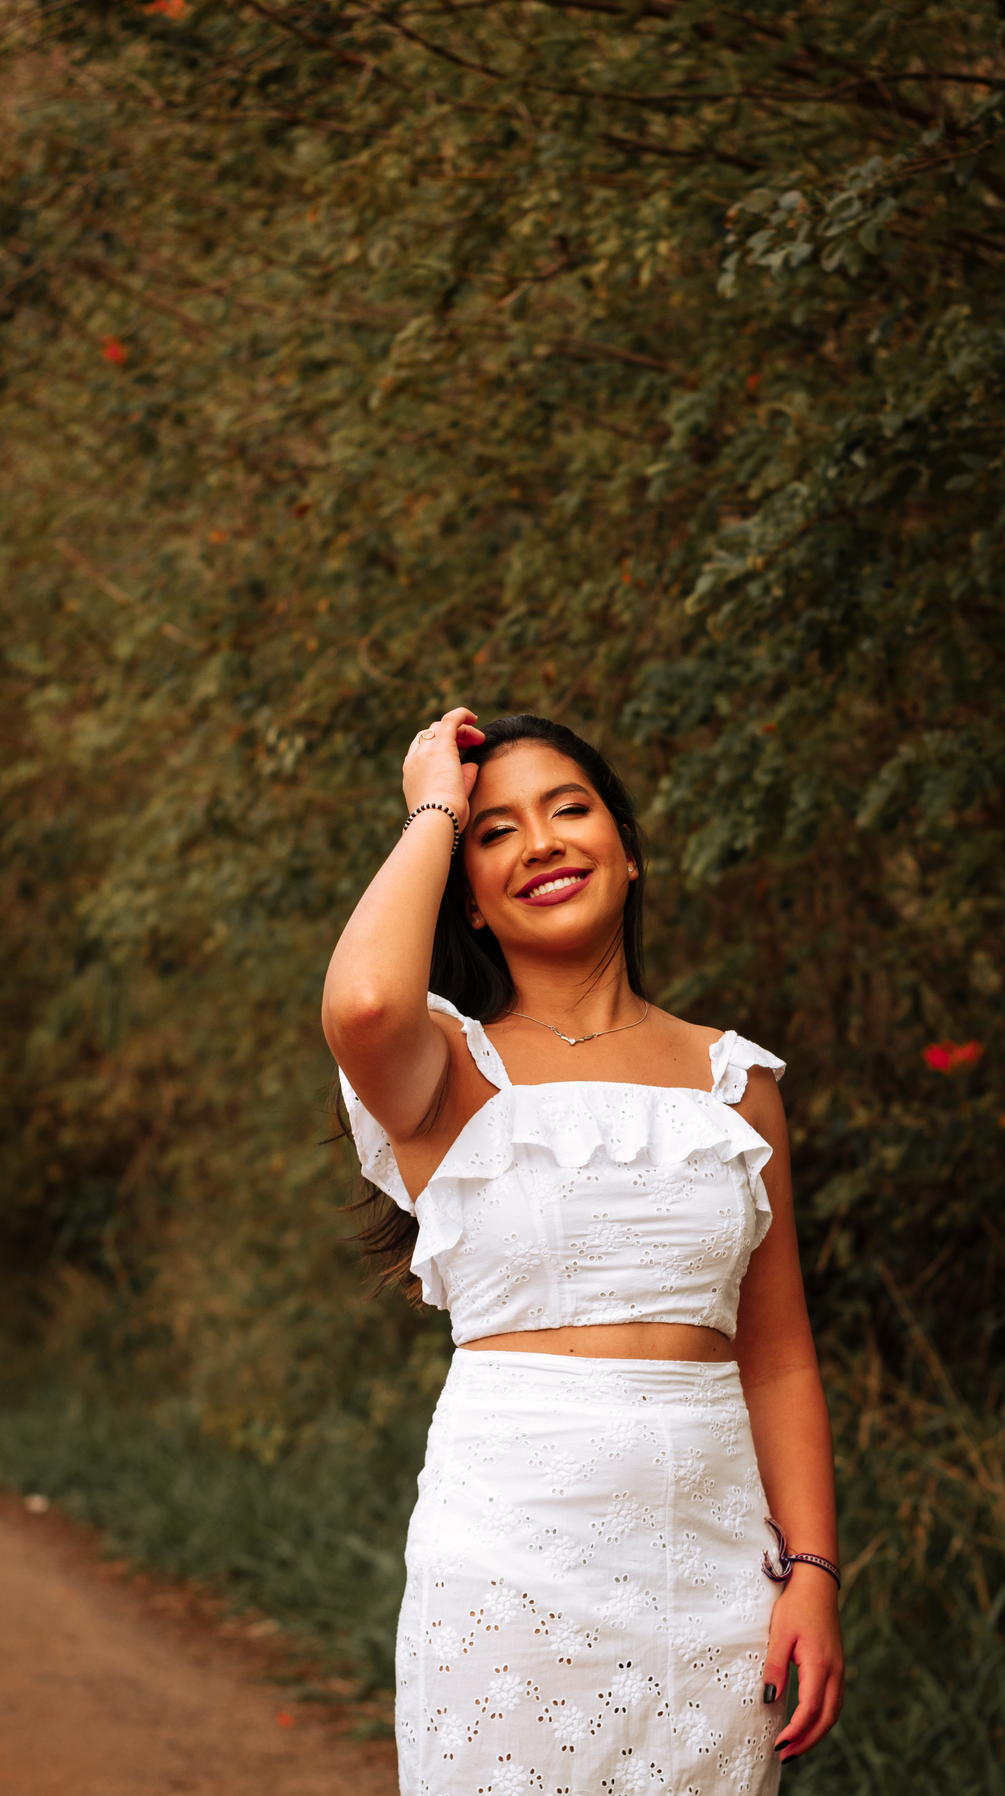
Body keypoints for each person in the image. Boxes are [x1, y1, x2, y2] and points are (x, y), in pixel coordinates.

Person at [322, 707, 844, 1796]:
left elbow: (780, 1357)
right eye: (496, 831)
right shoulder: (447, 1066)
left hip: (716, 1572)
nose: (542, 843)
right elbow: (363, 1000)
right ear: (467, 892)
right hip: (508, 1563)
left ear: (627, 847)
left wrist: (813, 1570)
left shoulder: (736, 1083)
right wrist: (432, 804)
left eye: (569, 809)